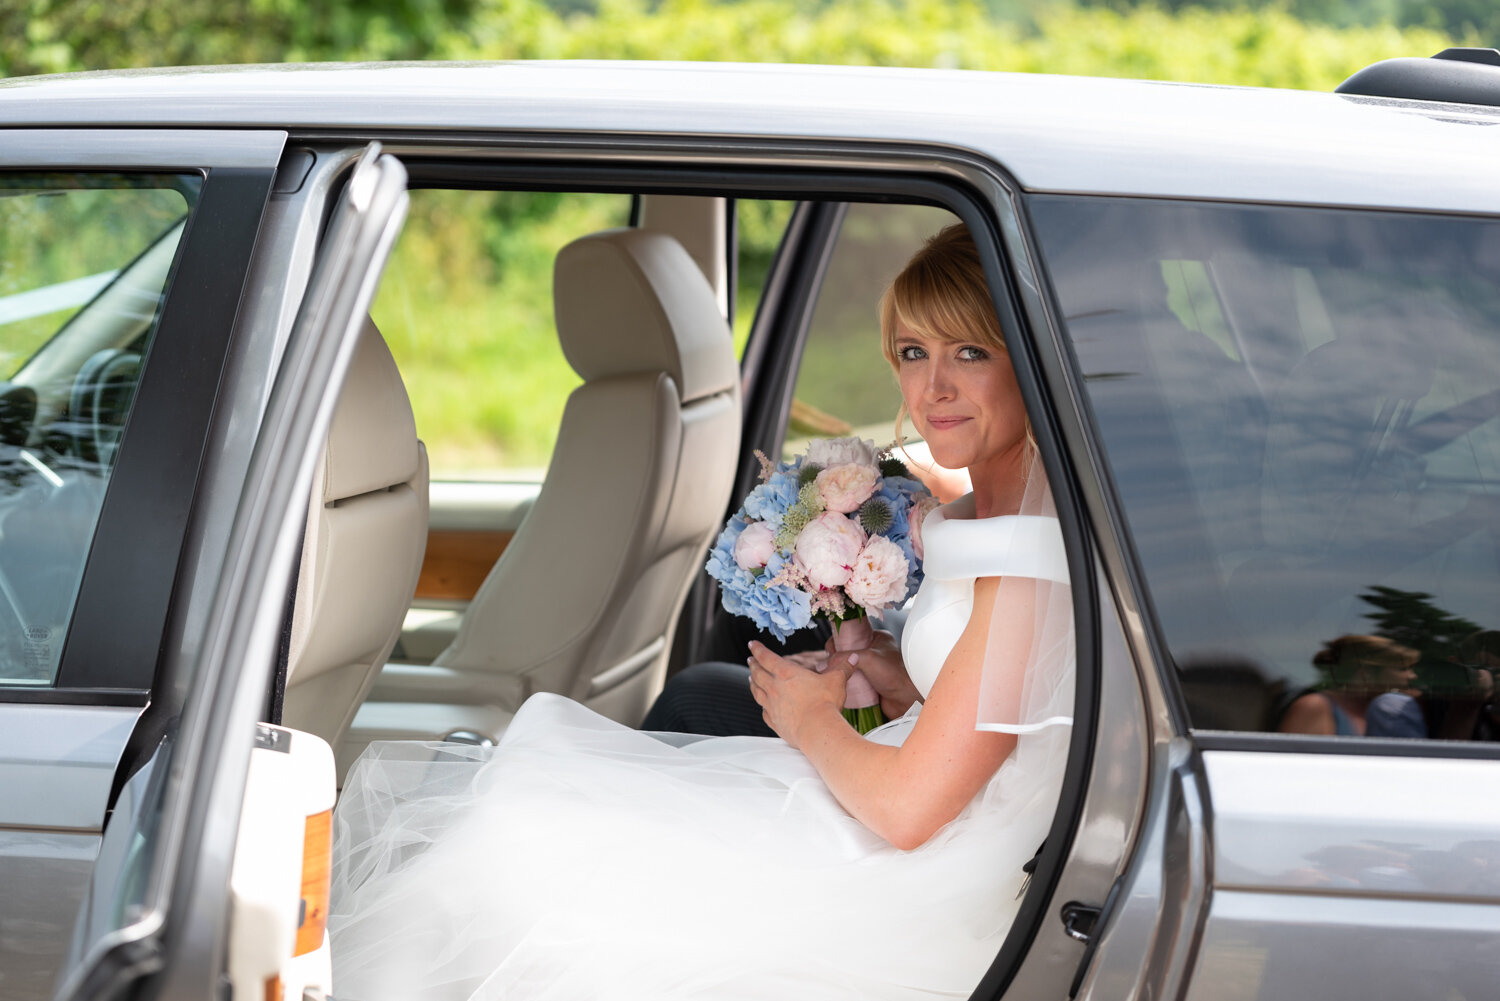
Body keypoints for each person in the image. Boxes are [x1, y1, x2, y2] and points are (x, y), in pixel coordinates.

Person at [327, 224, 1076, 1001]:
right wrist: (904, 683)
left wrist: (808, 717)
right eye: (915, 352)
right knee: (526, 824)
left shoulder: (1023, 562)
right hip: (930, 826)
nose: (934, 388)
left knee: (522, 836)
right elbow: (1015, 713)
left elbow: (910, 808)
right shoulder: (993, 518)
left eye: (970, 352)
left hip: (936, 876)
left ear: (1027, 361)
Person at [1278, 634, 1424, 738]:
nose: (1412, 676)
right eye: (1402, 669)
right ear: (1365, 673)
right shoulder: (1315, 707)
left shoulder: (1389, 710)